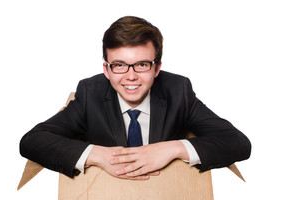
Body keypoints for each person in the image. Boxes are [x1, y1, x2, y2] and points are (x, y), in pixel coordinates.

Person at [19, 16, 251, 180]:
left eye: (141, 64)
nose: (131, 77)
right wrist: (98, 154)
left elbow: (238, 142)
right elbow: (32, 141)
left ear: (157, 68)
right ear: (106, 69)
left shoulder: (178, 90)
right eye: (119, 65)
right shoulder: (90, 93)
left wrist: (173, 149)